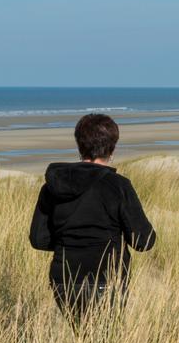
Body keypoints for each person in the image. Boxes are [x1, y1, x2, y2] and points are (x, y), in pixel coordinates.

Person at [29, 113, 157, 320]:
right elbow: (144, 241)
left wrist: (70, 242)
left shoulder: (52, 186)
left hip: (63, 280)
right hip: (107, 279)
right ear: (112, 148)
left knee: (83, 336)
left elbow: (39, 239)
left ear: (80, 146)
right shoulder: (118, 185)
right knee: (106, 339)